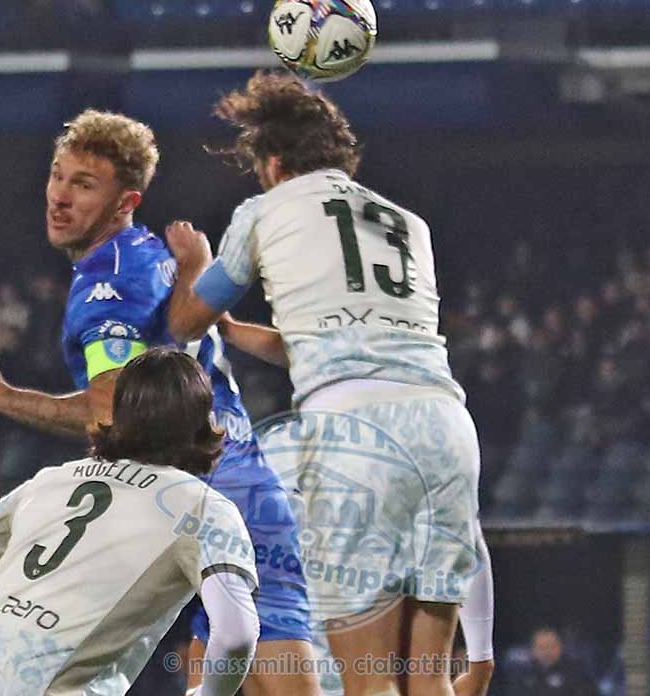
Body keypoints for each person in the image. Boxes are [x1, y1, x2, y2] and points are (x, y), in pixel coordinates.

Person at [0, 109, 319, 695]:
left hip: (202, 495)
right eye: (58, 176)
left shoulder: (108, 285)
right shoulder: (149, 254)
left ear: (126, 201)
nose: (60, 197)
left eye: (83, 185)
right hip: (223, 488)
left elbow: (111, 413)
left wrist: (2, 396)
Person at [165, 71, 495, 696]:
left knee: (371, 684)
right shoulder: (408, 224)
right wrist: (238, 333)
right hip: (445, 426)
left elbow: (185, 320)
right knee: (429, 682)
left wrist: (194, 264)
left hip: (355, 432)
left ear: (273, 162)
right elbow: (338, 341)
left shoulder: (264, 211)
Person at [0, 349, 260, 696]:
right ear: (204, 424)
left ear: (116, 414)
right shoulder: (203, 508)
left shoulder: (50, 481)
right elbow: (236, 634)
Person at [512, 627, 599, 696]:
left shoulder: (577, 672)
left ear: (560, 648)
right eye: (541, 647)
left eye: (552, 646)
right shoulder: (521, 674)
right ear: (533, 650)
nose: (547, 651)